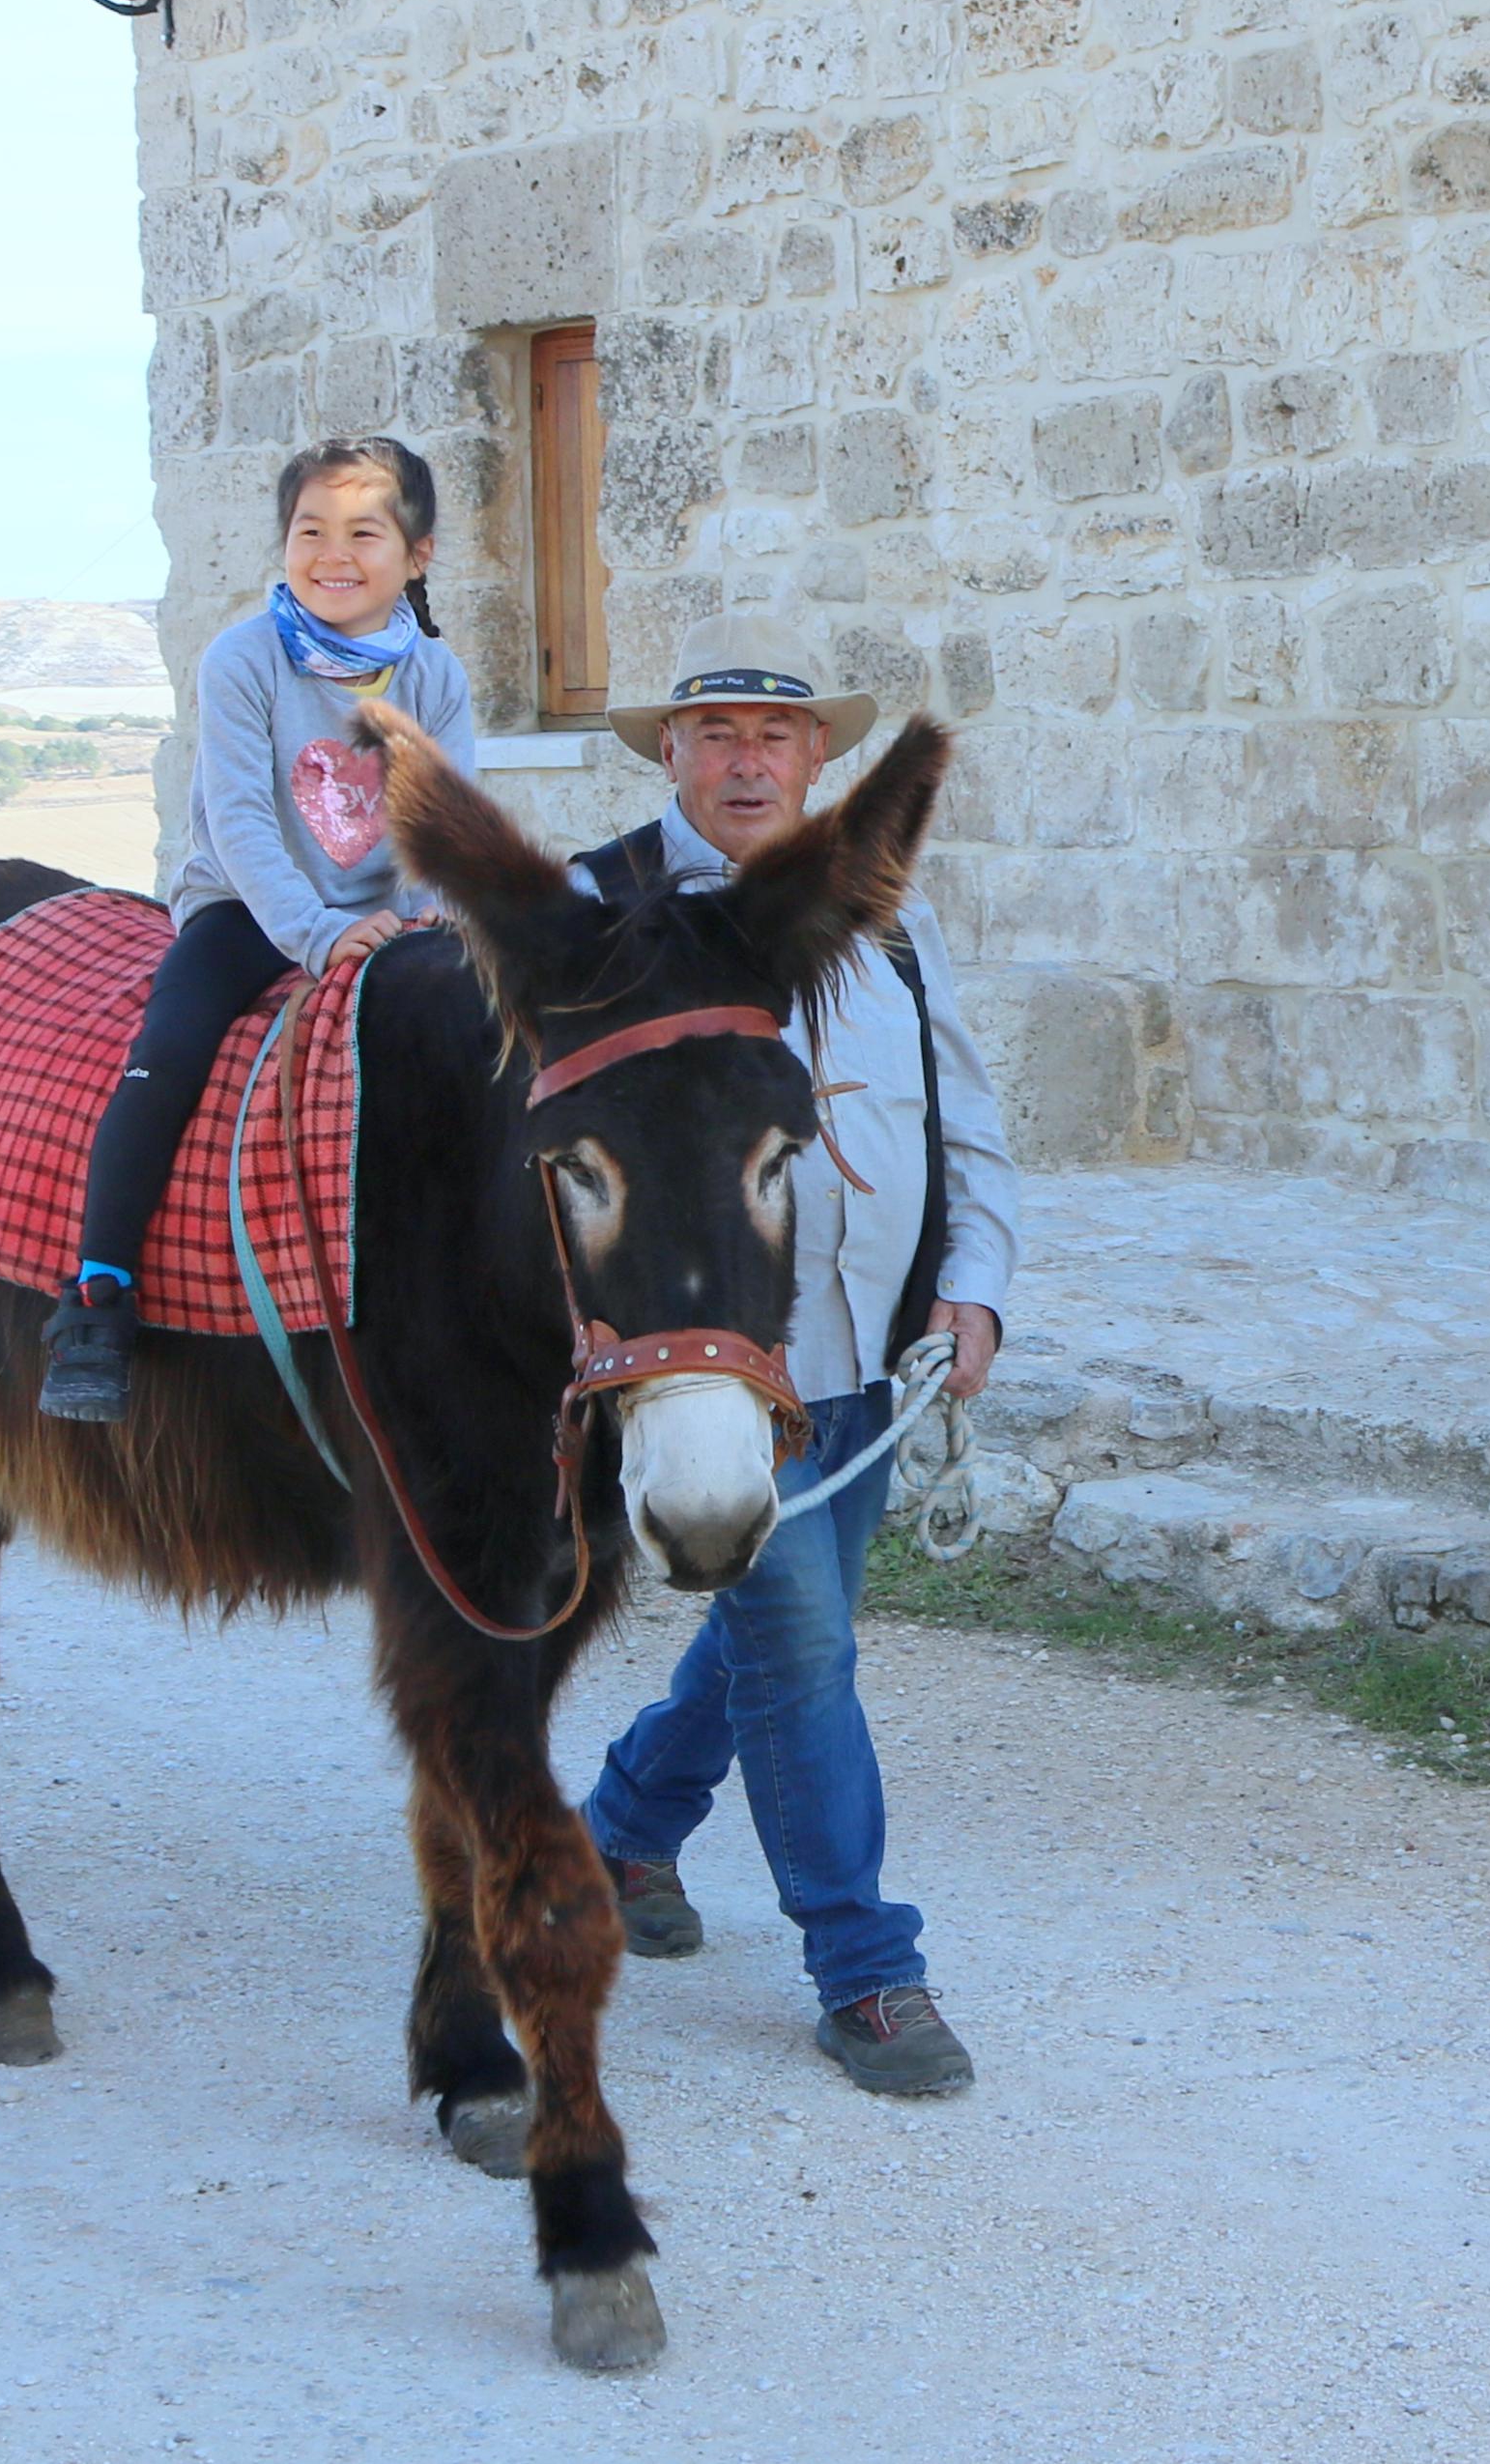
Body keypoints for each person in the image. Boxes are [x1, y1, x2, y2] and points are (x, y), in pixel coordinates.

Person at [572, 613, 1018, 2099]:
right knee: (805, 1647)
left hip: (863, 1357)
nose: (744, 760)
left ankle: (625, 1831)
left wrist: (974, 1282)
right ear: (670, 757)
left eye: (773, 737)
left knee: (776, 1631)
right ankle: (865, 1970)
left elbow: (960, 1108)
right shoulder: (602, 911)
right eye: (712, 736)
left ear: (818, 757)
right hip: (707, 1373)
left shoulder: (887, 916)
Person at [40, 437, 478, 1421]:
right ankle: (98, 1294)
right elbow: (237, 818)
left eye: (365, 531)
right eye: (309, 530)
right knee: (170, 1050)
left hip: (391, 920)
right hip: (248, 910)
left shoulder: (435, 675)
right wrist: (318, 934)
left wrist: (421, 923)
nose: (333, 552)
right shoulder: (244, 658)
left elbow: (442, 825)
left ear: (417, 553)